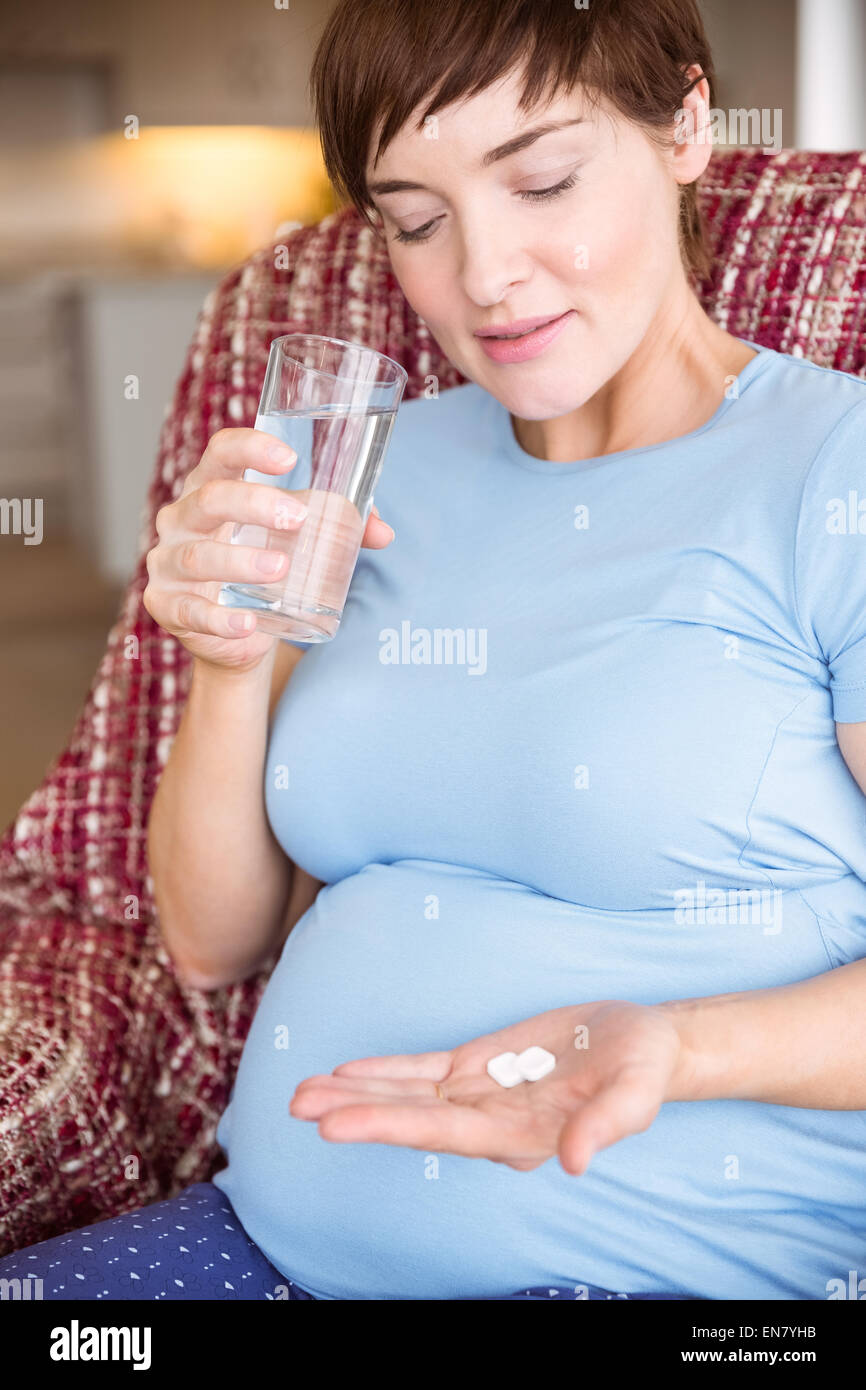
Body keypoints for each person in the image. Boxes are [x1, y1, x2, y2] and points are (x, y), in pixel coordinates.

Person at [4, 0, 865, 1302]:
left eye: (543, 182)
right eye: (414, 218)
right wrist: (229, 659)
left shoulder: (829, 471)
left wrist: (675, 1047)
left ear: (686, 124)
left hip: (666, 1274)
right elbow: (210, 942)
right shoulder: (364, 462)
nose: (482, 274)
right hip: (257, 1243)